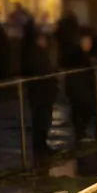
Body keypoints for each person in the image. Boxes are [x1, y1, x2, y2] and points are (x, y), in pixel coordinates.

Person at [21, 27, 59, 162]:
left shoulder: (38, 52)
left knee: (43, 120)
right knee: (41, 120)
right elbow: (41, 72)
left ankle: (42, 146)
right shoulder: (35, 54)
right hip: (40, 92)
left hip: (42, 92)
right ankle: (40, 147)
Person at [64, 33, 97, 144]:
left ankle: (81, 133)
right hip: (79, 88)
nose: (89, 44)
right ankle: (80, 134)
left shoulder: (85, 55)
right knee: (81, 110)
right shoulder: (78, 55)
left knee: (84, 110)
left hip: (81, 87)